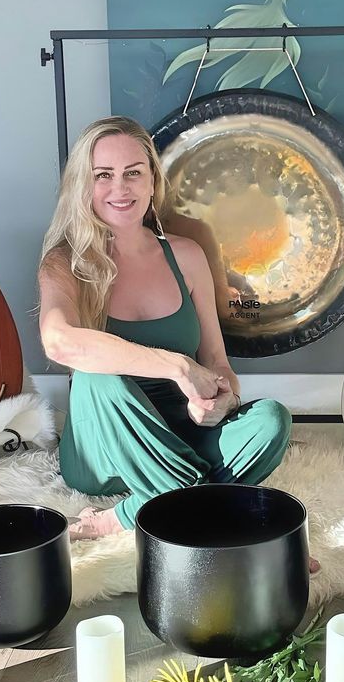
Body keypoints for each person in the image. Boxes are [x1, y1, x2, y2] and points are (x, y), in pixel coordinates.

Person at [38, 116, 310, 559]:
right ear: (83, 185)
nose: (120, 188)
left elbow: (218, 362)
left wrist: (224, 399)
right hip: (105, 444)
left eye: (133, 173)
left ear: (152, 182)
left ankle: (128, 514)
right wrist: (177, 366)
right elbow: (59, 342)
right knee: (97, 374)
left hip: (181, 433)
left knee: (271, 420)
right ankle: (235, 524)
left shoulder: (186, 255)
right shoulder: (64, 262)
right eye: (103, 175)